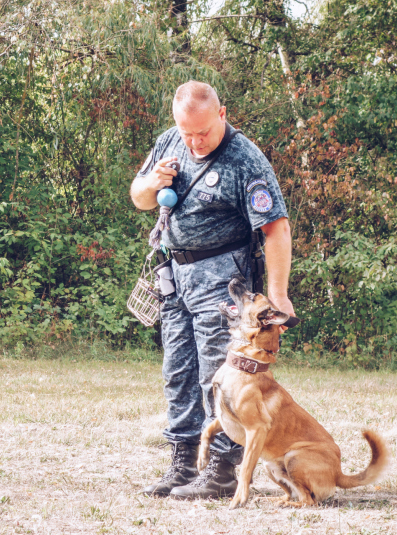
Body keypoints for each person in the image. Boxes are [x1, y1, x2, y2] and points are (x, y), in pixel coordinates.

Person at [130, 81, 295, 500]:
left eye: (202, 132)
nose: (194, 141)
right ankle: (184, 464)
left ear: (221, 115)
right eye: (187, 133)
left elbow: (275, 229)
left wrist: (278, 294)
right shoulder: (170, 141)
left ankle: (222, 468)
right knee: (178, 371)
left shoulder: (246, 160)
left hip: (224, 277)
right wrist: (152, 182)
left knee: (216, 375)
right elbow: (139, 198)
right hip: (176, 274)